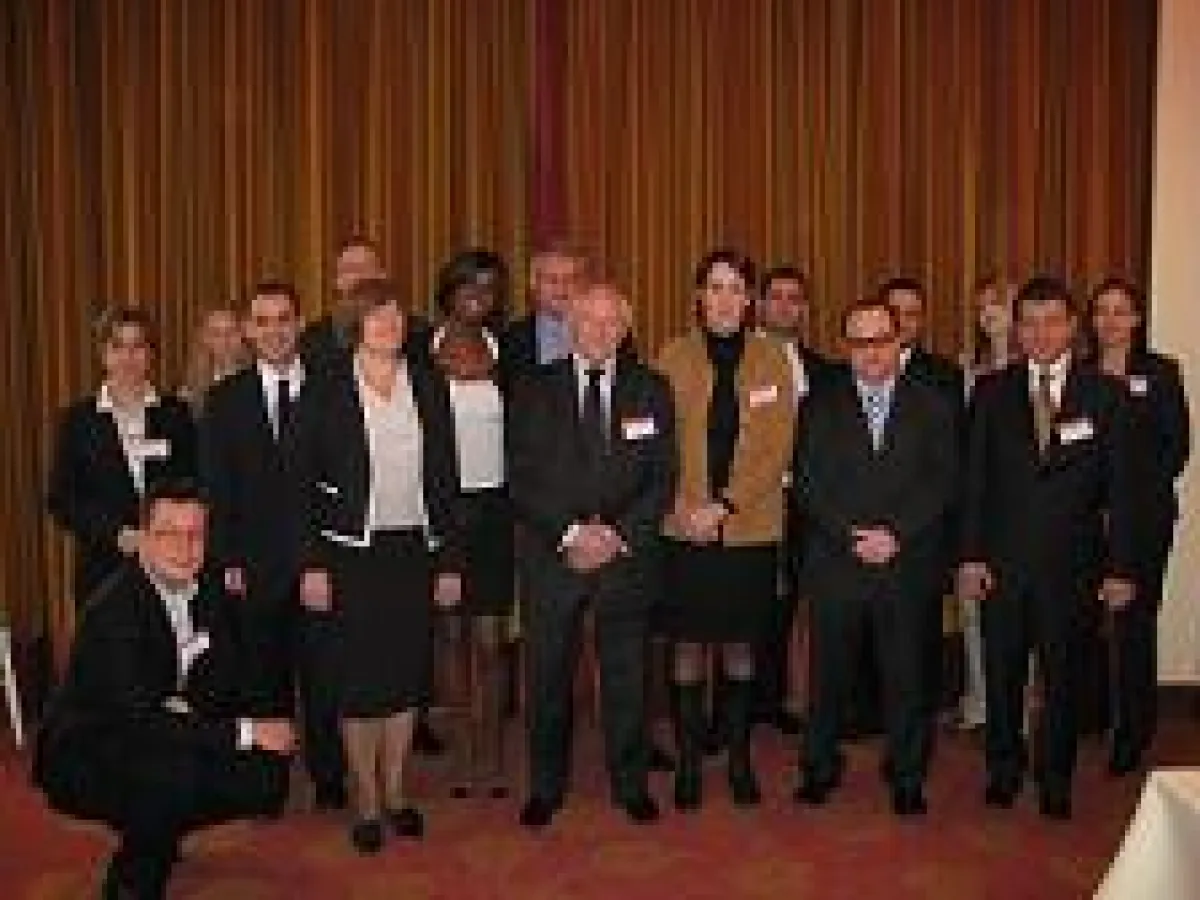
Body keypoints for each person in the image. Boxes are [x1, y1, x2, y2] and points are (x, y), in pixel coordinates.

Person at [33, 479, 295, 900]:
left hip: (168, 727)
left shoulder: (211, 587)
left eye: (195, 535)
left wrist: (263, 722)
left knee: (263, 776)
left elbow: (235, 672)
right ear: (144, 540)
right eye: (168, 533)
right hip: (90, 747)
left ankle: (160, 826)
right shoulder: (112, 611)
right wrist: (245, 732)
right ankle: (134, 877)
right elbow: (137, 720)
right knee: (167, 772)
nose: (183, 547)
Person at [291, 277, 463, 853]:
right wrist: (312, 563)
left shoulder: (430, 383)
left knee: (403, 678)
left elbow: (445, 477)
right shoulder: (326, 387)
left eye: (395, 314)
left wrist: (448, 559)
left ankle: (397, 793)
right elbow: (300, 483)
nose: (389, 324)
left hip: (412, 551)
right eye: (375, 315)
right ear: (353, 324)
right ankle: (365, 798)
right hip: (349, 553)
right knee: (360, 683)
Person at [959, 275, 1138, 819]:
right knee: (1003, 673)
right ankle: (1004, 770)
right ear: (1017, 330)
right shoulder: (992, 392)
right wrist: (969, 557)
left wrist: (1121, 568)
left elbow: (1125, 490)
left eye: (1051, 321)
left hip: (1073, 569)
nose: (1039, 333)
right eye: (1029, 323)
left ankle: (1055, 776)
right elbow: (974, 483)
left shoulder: (1104, 395)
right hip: (1004, 566)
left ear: (1072, 327)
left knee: (1064, 679)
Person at [509, 275, 676, 831]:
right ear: (570, 327)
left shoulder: (652, 389)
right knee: (548, 680)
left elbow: (662, 478)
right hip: (552, 559)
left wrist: (617, 536)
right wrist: (571, 535)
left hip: (625, 559)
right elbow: (523, 477)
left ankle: (630, 786)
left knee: (628, 681)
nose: (600, 331)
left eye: (612, 322)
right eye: (589, 320)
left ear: (627, 329)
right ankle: (545, 787)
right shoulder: (533, 387)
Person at [793, 300, 958, 815]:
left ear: (898, 341)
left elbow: (944, 480)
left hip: (906, 563)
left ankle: (907, 775)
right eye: (859, 342)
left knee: (907, 676)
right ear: (846, 347)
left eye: (880, 339)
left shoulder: (933, 403)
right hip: (837, 562)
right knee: (829, 678)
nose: (871, 352)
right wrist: (852, 535)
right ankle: (819, 768)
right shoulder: (819, 403)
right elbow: (808, 483)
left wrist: (896, 534)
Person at [656, 249, 796, 810]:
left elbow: (776, 447)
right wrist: (687, 507)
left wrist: (726, 504)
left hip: (748, 528)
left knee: (740, 645)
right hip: (684, 526)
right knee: (687, 645)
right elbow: (656, 442)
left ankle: (738, 758)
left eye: (736, 288)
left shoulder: (771, 361)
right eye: (714, 287)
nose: (725, 299)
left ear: (751, 300)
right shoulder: (672, 356)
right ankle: (690, 761)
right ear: (698, 295)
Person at [1088, 276, 1190, 775]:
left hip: (1143, 520)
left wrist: (1124, 495)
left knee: (1133, 625)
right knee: (1082, 623)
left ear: (1136, 318)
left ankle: (1134, 731)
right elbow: (1069, 442)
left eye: (1119, 310)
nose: (1109, 320)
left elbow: (1176, 451)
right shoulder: (1080, 373)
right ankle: (1092, 718)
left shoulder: (1161, 373)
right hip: (1084, 522)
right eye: (1101, 311)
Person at [426, 249, 516, 797]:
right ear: (448, 290)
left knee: (490, 640)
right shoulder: (422, 349)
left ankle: (492, 753)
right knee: (449, 637)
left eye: (489, 288)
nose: (478, 296)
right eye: (468, 285)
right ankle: (460, 753)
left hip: (495, 515)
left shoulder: (509, 351)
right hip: (444, 511)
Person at [200, 283, 306, 723]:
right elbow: (216, 487)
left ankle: (330, 781)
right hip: (254, 563)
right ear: (248, 330)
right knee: (263, 676)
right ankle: (271, 774)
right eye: (262, 322)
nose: (274, 331)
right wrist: (228, 558)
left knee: (324, 676)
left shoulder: (334, 386)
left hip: (321, 560)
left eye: (283, 319)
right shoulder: (224, 400)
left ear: (299, 324)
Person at [48, 307, 197, 607]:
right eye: (118, 346)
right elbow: (62, 499)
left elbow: (194, 484)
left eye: (138, 346)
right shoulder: (78, 421)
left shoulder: (176, 414)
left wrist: (165, 535)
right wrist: (117, 534)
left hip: (171, 564)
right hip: (103, 569)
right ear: (103, 354)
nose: (128, 357)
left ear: (151, 354)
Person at [752, 264, 844, 735]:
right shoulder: (738, 362)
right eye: (777, 296)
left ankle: (790, 698)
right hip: (749, 500)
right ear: (760, 305)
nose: (785, 305)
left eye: (795, 298)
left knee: (801, 601)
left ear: (805, 310)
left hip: (807, 503)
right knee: (750, 599)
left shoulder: (829, 372)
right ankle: (746, 702)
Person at [881, 276, 966, 733]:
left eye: (911, 313)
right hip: (868, 527)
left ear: (922, 321)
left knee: (921, 632)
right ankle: (874, 712)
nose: (901, 321)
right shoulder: (852, 368)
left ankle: (919, 714)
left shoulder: (945, 376)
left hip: (923, 527)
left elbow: (948, 460)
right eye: (893, 312)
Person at [955, 275, 1018, 732]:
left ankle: (1018, 712)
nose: (989, 315)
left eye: (999, 305)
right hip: (974, 513)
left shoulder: (1048, 370)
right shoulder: (967, 371)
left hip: (1020, 517)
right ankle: (979, 704)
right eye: (982, 308)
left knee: (1022, 619)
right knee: (973, 613)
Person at [499, 239, 634, 388]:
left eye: (571, 279)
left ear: (586, 283)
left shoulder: (611, 334)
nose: (561, 288)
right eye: (552, 280)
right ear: (533, 284)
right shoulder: (510, 340)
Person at [299, 234, 432, 372]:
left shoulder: (419, 333)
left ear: (382, 275)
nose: (358, 276)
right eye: (349, 269)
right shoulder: (312, 342)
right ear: (337, 282)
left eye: (365, 267)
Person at [180, 306, 249, 415]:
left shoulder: (258, 377)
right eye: (217, 334)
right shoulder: (192, 387)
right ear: (205, 339)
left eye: (231, 332)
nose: (225, 340)